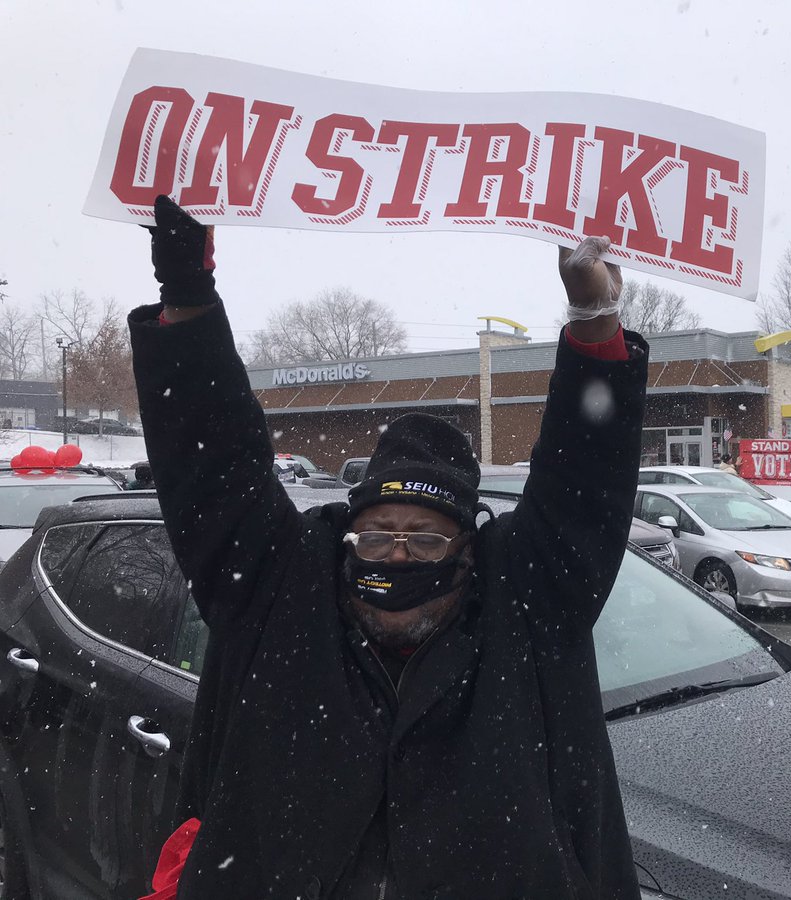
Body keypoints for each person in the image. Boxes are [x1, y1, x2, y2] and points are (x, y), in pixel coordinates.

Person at [132, 196, 647, 899]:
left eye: (424, 537)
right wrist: (188, 294)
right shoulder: (286, 592)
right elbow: (214, 464)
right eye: (378, 533)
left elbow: (582, 486)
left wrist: (594, 324)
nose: (397, 555)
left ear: (466, 548)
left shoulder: (519, 607)